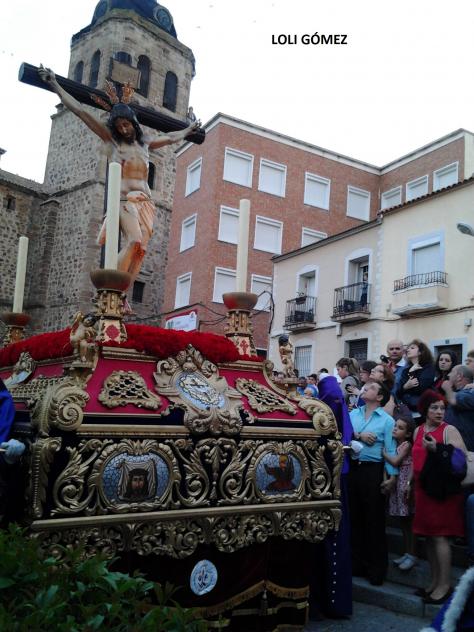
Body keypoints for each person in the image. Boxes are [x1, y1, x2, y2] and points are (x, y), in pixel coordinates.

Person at [38, 66, 200, 284]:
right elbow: (80, 111)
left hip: (145, 204)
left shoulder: (145, 143)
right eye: (119, 126)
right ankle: (111, 282)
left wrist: (188, 130)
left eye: (126, 124)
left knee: (140, 250)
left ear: (133, 122)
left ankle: (121, 293)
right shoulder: (113, 141)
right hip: (124, 201)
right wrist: (55, 84)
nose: (123, 129)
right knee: (134, 241)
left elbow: (171, 138)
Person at [410, 390, 466, 604]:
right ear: (425, 409)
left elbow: (460, 460)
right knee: (429, 537)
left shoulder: (449, 430)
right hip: (422, 490)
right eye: (434, 407)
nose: (439, 412)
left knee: (441, 537)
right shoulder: (418, 430)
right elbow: (415, 460)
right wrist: (409, 484)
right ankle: (434, 583)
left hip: (442, 493)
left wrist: (437, 448)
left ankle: (444, 586)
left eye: (442, 408)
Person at [349, 381, 397, 585]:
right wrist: (359, 435)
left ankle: (376, 570)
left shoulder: (387, 420)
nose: (365, 389)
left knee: (374, 520)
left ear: (379, 397)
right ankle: (357, 564)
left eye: (370, 388)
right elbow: (344, 435)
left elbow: (390, 449)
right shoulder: (353, 413)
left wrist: (392, 476)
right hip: (353, 469)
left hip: (373, 470)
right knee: (355, 517)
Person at [382, 415, 417, 571]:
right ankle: (406, 553)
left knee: (409, 521)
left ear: (408, 434)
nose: (395, 429)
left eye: (400, 428)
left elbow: (395, 462)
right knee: (403, 521)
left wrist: (383, 454)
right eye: (395, 426)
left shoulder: (406, 445)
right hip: (397, 484)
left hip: (404, 483)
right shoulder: (394, 444)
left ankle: (412, 554)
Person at [396, 339, 436, 419]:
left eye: (412, 348)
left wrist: (411, 373)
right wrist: (405, 387)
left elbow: (420, 387)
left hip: (422, 411)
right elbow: (398, 392)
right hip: (408, 411)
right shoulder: (406, 370)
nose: (408, 350)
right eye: (408, 348)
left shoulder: (428, 368)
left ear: (420, 352)